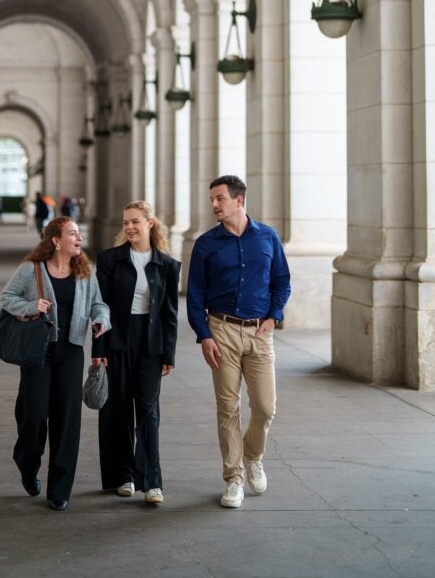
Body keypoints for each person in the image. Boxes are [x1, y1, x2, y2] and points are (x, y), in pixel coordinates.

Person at [186, 175, 291, 509]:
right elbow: (195, 294)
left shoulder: (268, 237)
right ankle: (233, 478)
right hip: (222, 330)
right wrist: (204, 335)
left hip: (260, 332)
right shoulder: (205, 244)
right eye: (212, 200)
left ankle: (253, 456)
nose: (214, 205)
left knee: (265, 407)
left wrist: (274, 316)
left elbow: (281, 281)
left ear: (239, 200)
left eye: (220, 199)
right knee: (227, 408)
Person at [0, 217, 110, 511]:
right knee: (34, 416)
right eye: (73, 234)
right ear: (56, 241)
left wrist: (101, 320)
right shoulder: (30, 270)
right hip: (38, 352)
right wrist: (30, 306)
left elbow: (99, 304)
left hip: (71, 352)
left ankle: (60, 490)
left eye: (79, 234)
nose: (79, 239)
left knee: (67, 420)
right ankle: (27, 462)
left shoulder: (85, 271)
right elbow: (6, 297)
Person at [93, 200, 180, 505]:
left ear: (150, 224)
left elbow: (170, 314)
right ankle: (124, 476)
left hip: (150, 343)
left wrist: (169, 354)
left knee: (148, 413)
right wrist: (98, 348)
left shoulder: (167, 266)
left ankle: (152, 482)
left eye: (135, 222)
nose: (129, 227)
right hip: (117, 340)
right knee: (117, 412)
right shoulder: (109, 261)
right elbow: (99, 308)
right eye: (125, 222)